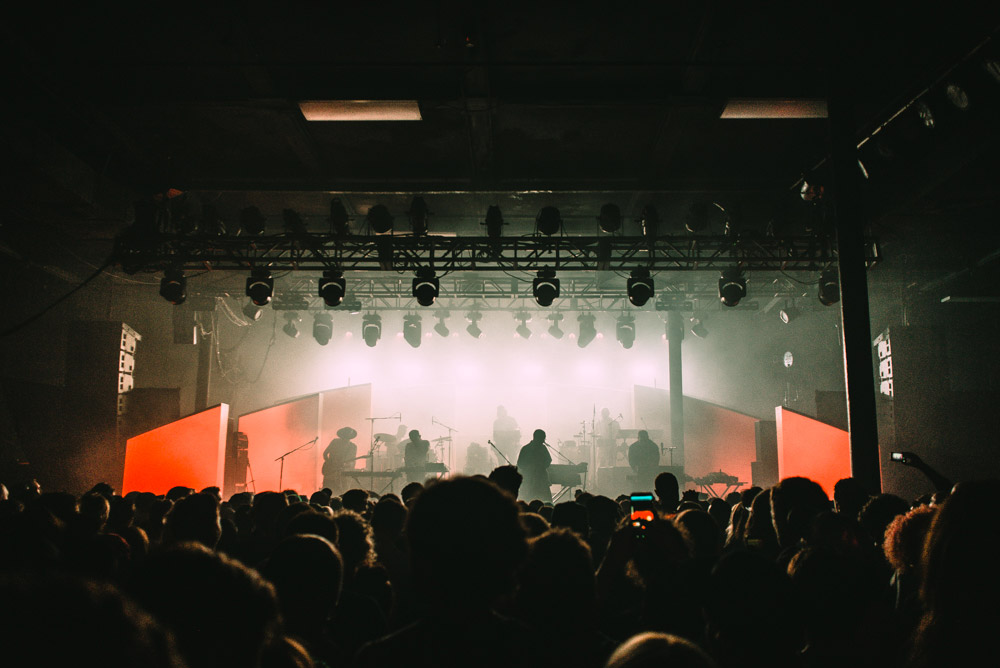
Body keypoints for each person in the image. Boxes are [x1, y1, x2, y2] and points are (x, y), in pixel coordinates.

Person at [517, 429, 552, 504]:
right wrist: (540, 467)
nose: (543, 440)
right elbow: (548, 460)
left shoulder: (525, 448)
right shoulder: (542, 448)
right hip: (539, 479)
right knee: (545, 501)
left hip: (529, 480)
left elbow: (520, 464)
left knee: (527, 501)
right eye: (543, 438)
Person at [323, 427, 358, 495]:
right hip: (330, 471)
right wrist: (329, 463)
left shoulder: (353, 446)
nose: (346, 438)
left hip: (343, 472)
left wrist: (346, 465)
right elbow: (325, 454)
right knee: (327, 489)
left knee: (343, 490)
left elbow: (353, 461)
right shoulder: (335, 442)